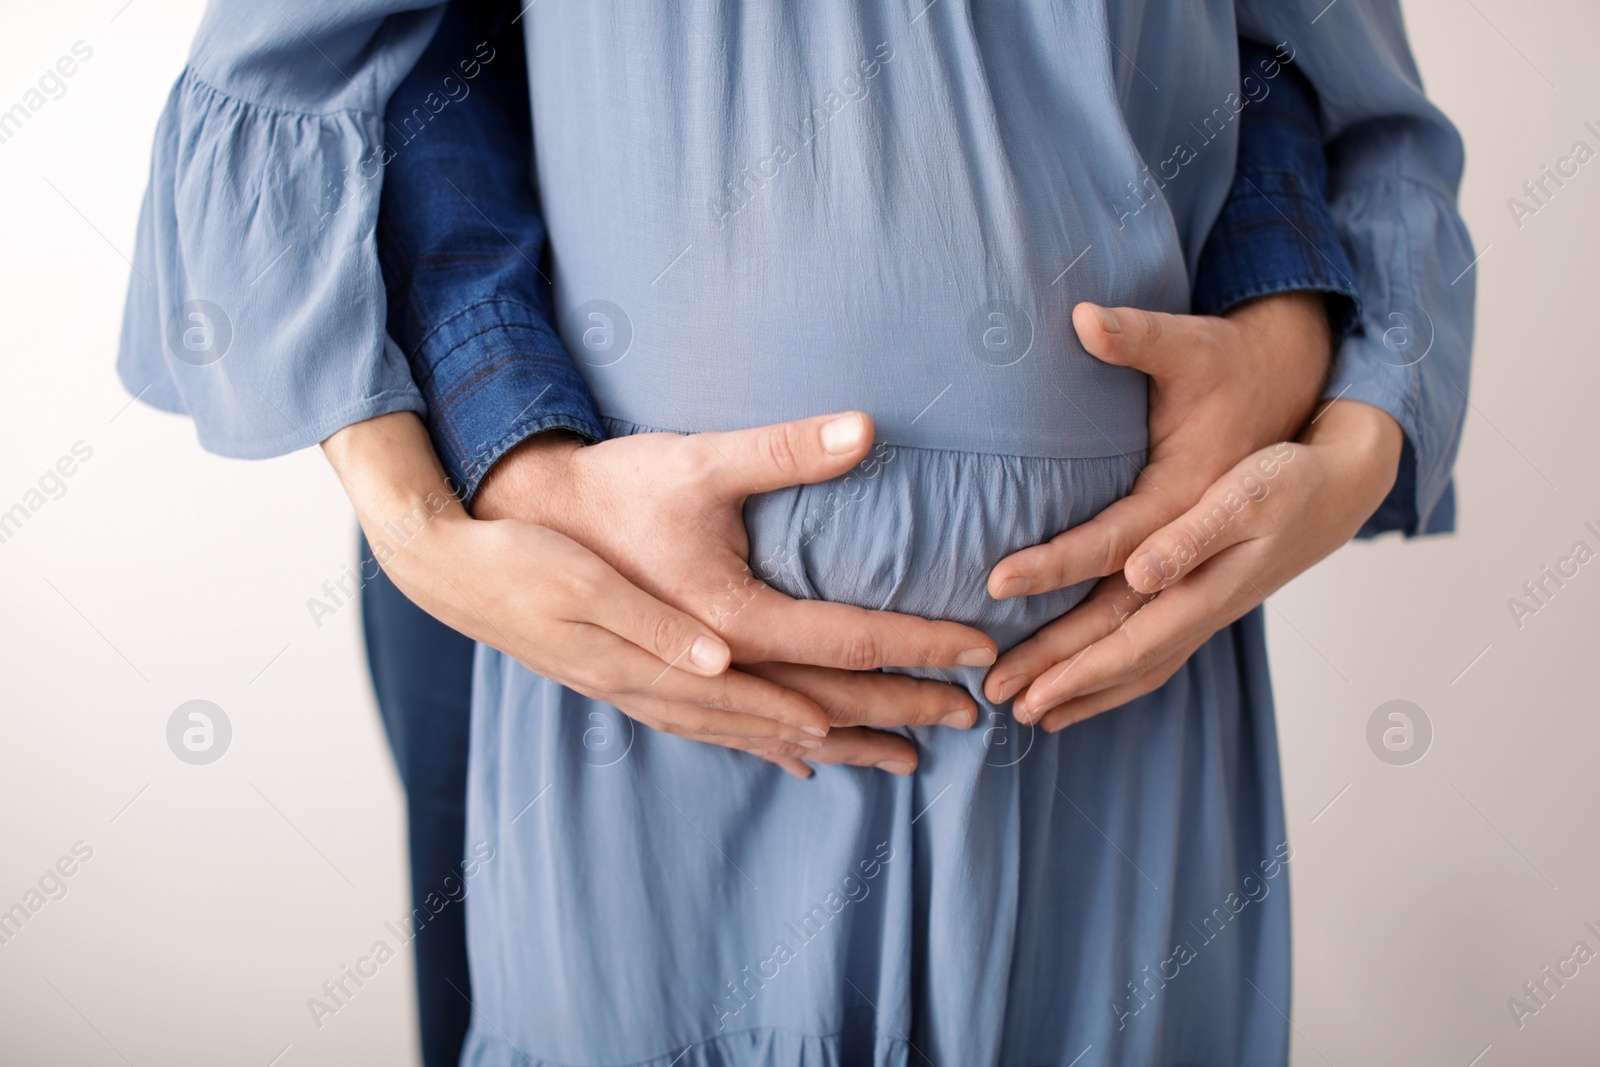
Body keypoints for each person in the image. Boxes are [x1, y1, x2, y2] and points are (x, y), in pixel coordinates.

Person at [118, 1, 1473, 1063]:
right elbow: (310, 66)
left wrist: (1336, 412)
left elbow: (1326, 79)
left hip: (1114, 705)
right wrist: (422, 527)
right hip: (633, 695)